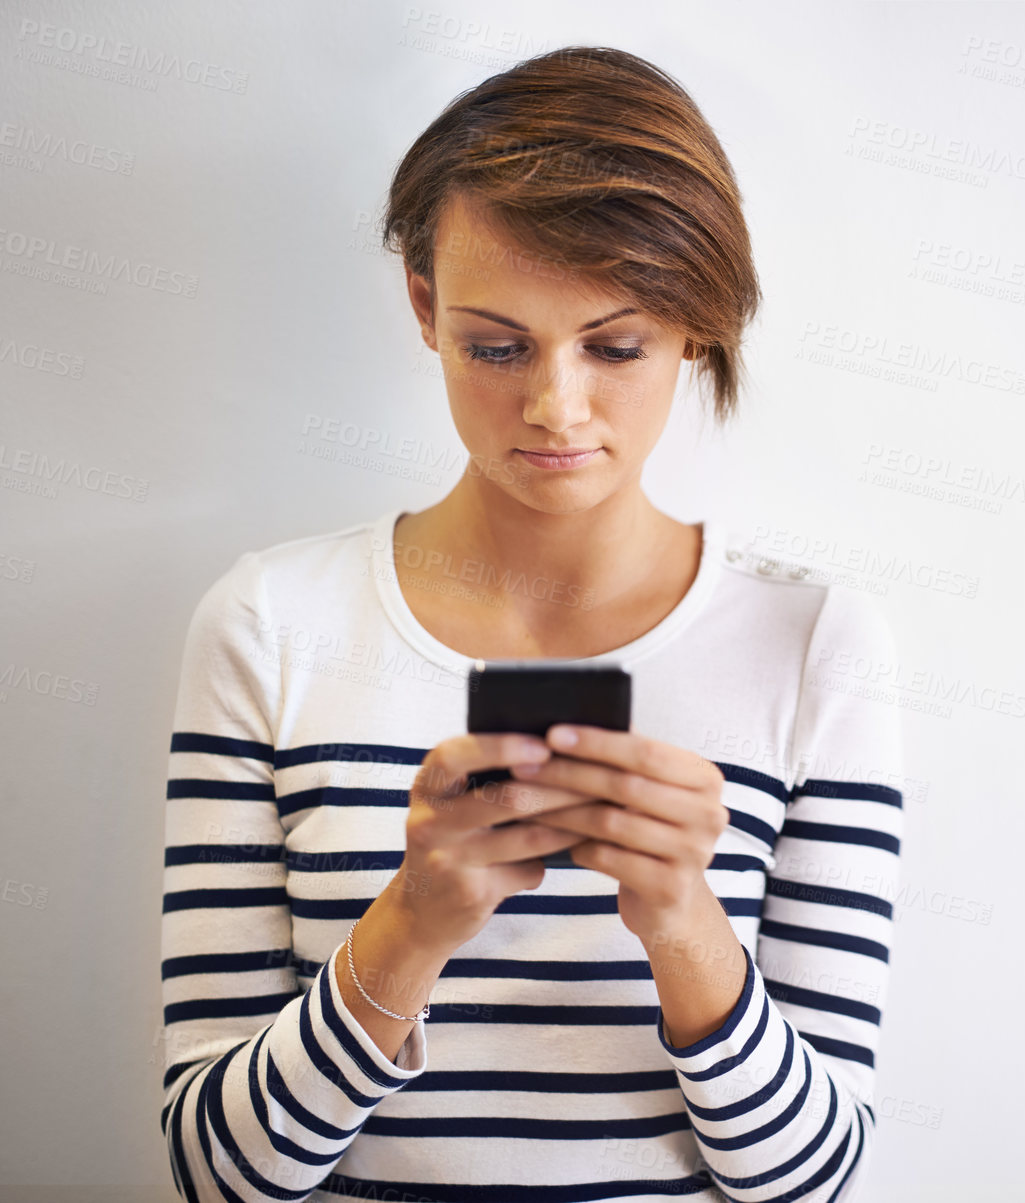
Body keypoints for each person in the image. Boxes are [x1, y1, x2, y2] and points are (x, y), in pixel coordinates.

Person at [158, 45, 905, 1203]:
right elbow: (216, 1176)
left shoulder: (810, 648)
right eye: (495, 346)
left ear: (697, 328)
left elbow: (809, 1183)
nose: (554, 406)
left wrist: (681, 921)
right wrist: (409, 925)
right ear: (424, 308)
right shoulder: (271, 623)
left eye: (616, 346)